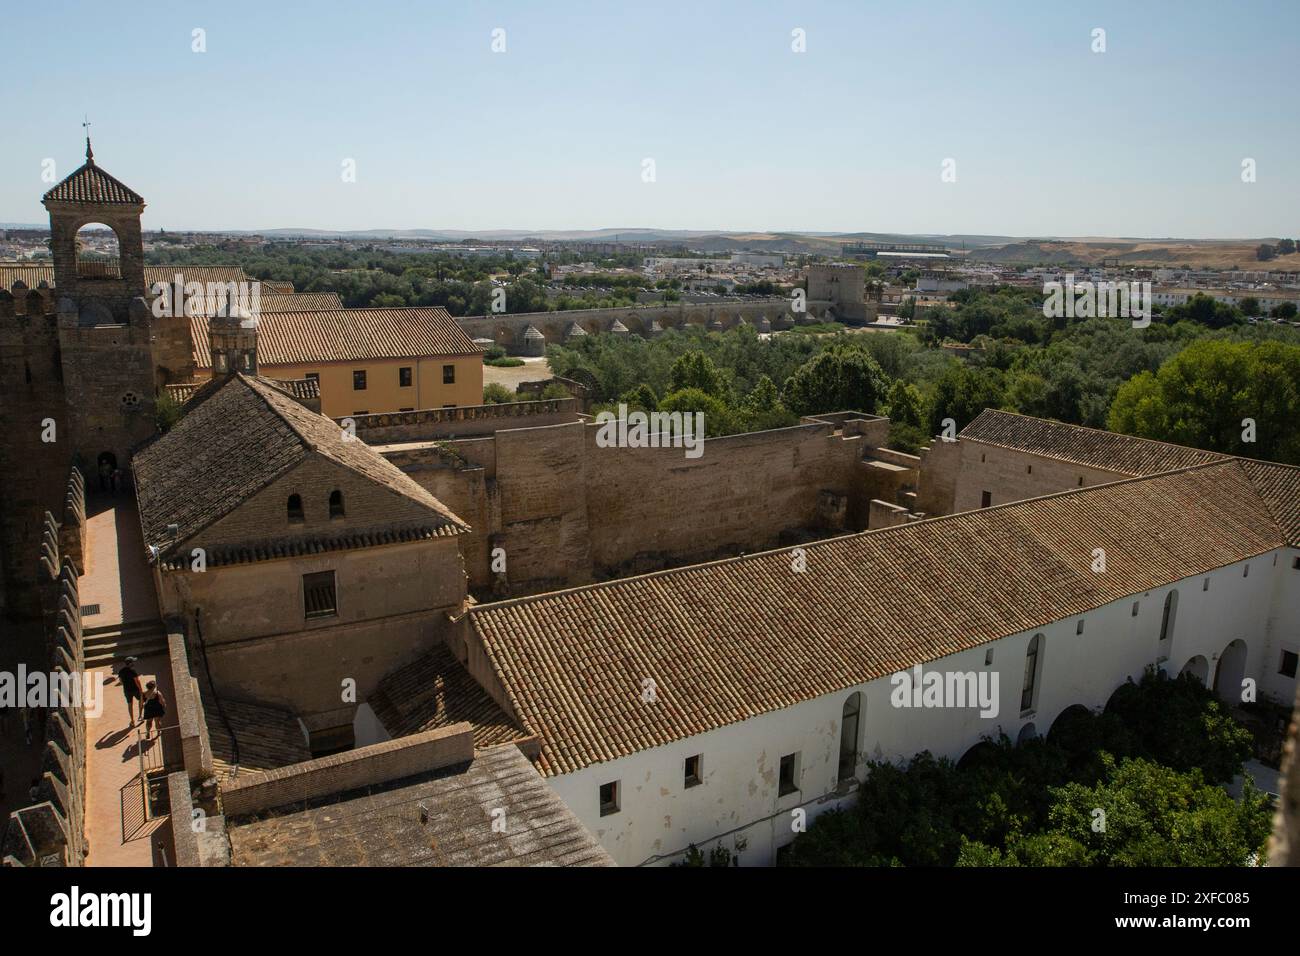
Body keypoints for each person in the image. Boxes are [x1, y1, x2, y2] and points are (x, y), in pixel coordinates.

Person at [118, 657, 143, 726]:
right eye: (133, 662)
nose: (134, 663)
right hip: (135, 689)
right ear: (130, 663)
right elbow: (137, 681)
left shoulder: (121, 671)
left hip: (127, 690)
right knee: (141, 700)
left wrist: (126, 684)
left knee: (130, 705)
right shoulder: (133, 671)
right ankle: (140, 716)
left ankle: (132, 721)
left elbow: (120, 681)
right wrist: (141, 690)